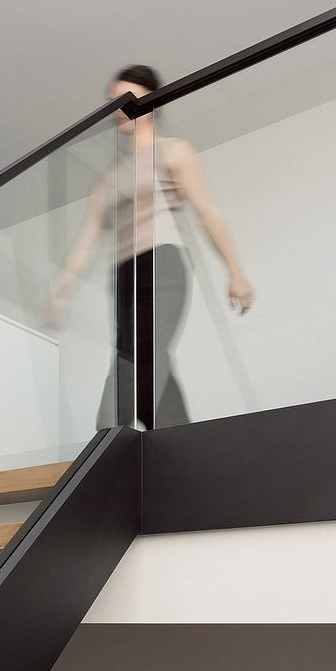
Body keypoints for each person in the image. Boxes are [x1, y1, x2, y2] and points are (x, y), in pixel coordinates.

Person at [48, 65, 254, 428]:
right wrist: (58, 292)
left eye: (127, 99)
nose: (117, 108)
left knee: (142, 358)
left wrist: (235, 272)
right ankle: (176, 441)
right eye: (113, 101)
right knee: (138, 358)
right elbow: (87, 240)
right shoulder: (108, 180)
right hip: (125, 275)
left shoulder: (173, 152)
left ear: (151, 102)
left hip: (163, 265)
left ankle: (109, 437)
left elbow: (206, 212)